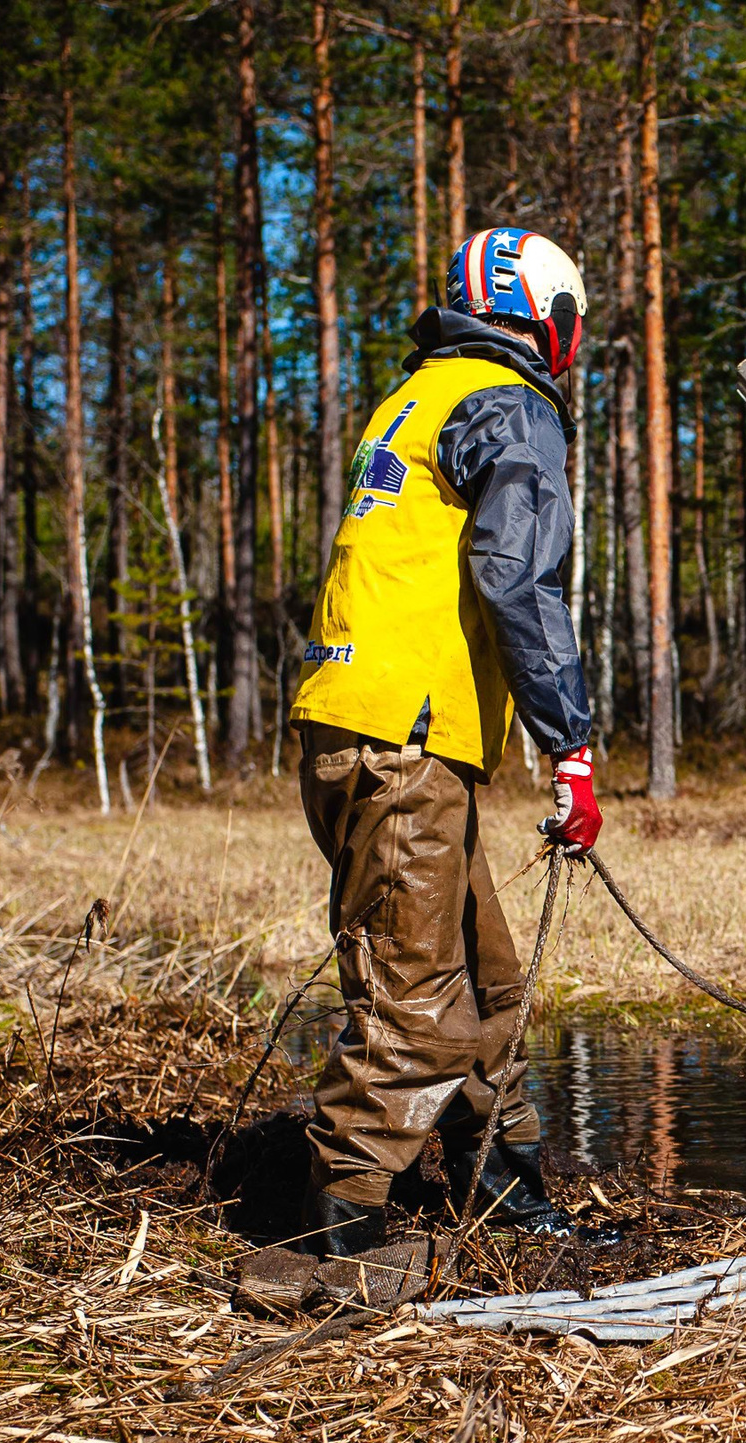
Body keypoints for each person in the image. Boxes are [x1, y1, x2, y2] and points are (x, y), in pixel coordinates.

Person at [288, 226, 611, 1257]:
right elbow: (518, 576)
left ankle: (503, 1189)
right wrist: (570, 745)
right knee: (415, 1004)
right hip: (403, 743)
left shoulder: (416, 393)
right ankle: (340, 1238)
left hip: (375, 730)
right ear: (546, 321)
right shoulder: (508, 404)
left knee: (485, 983)